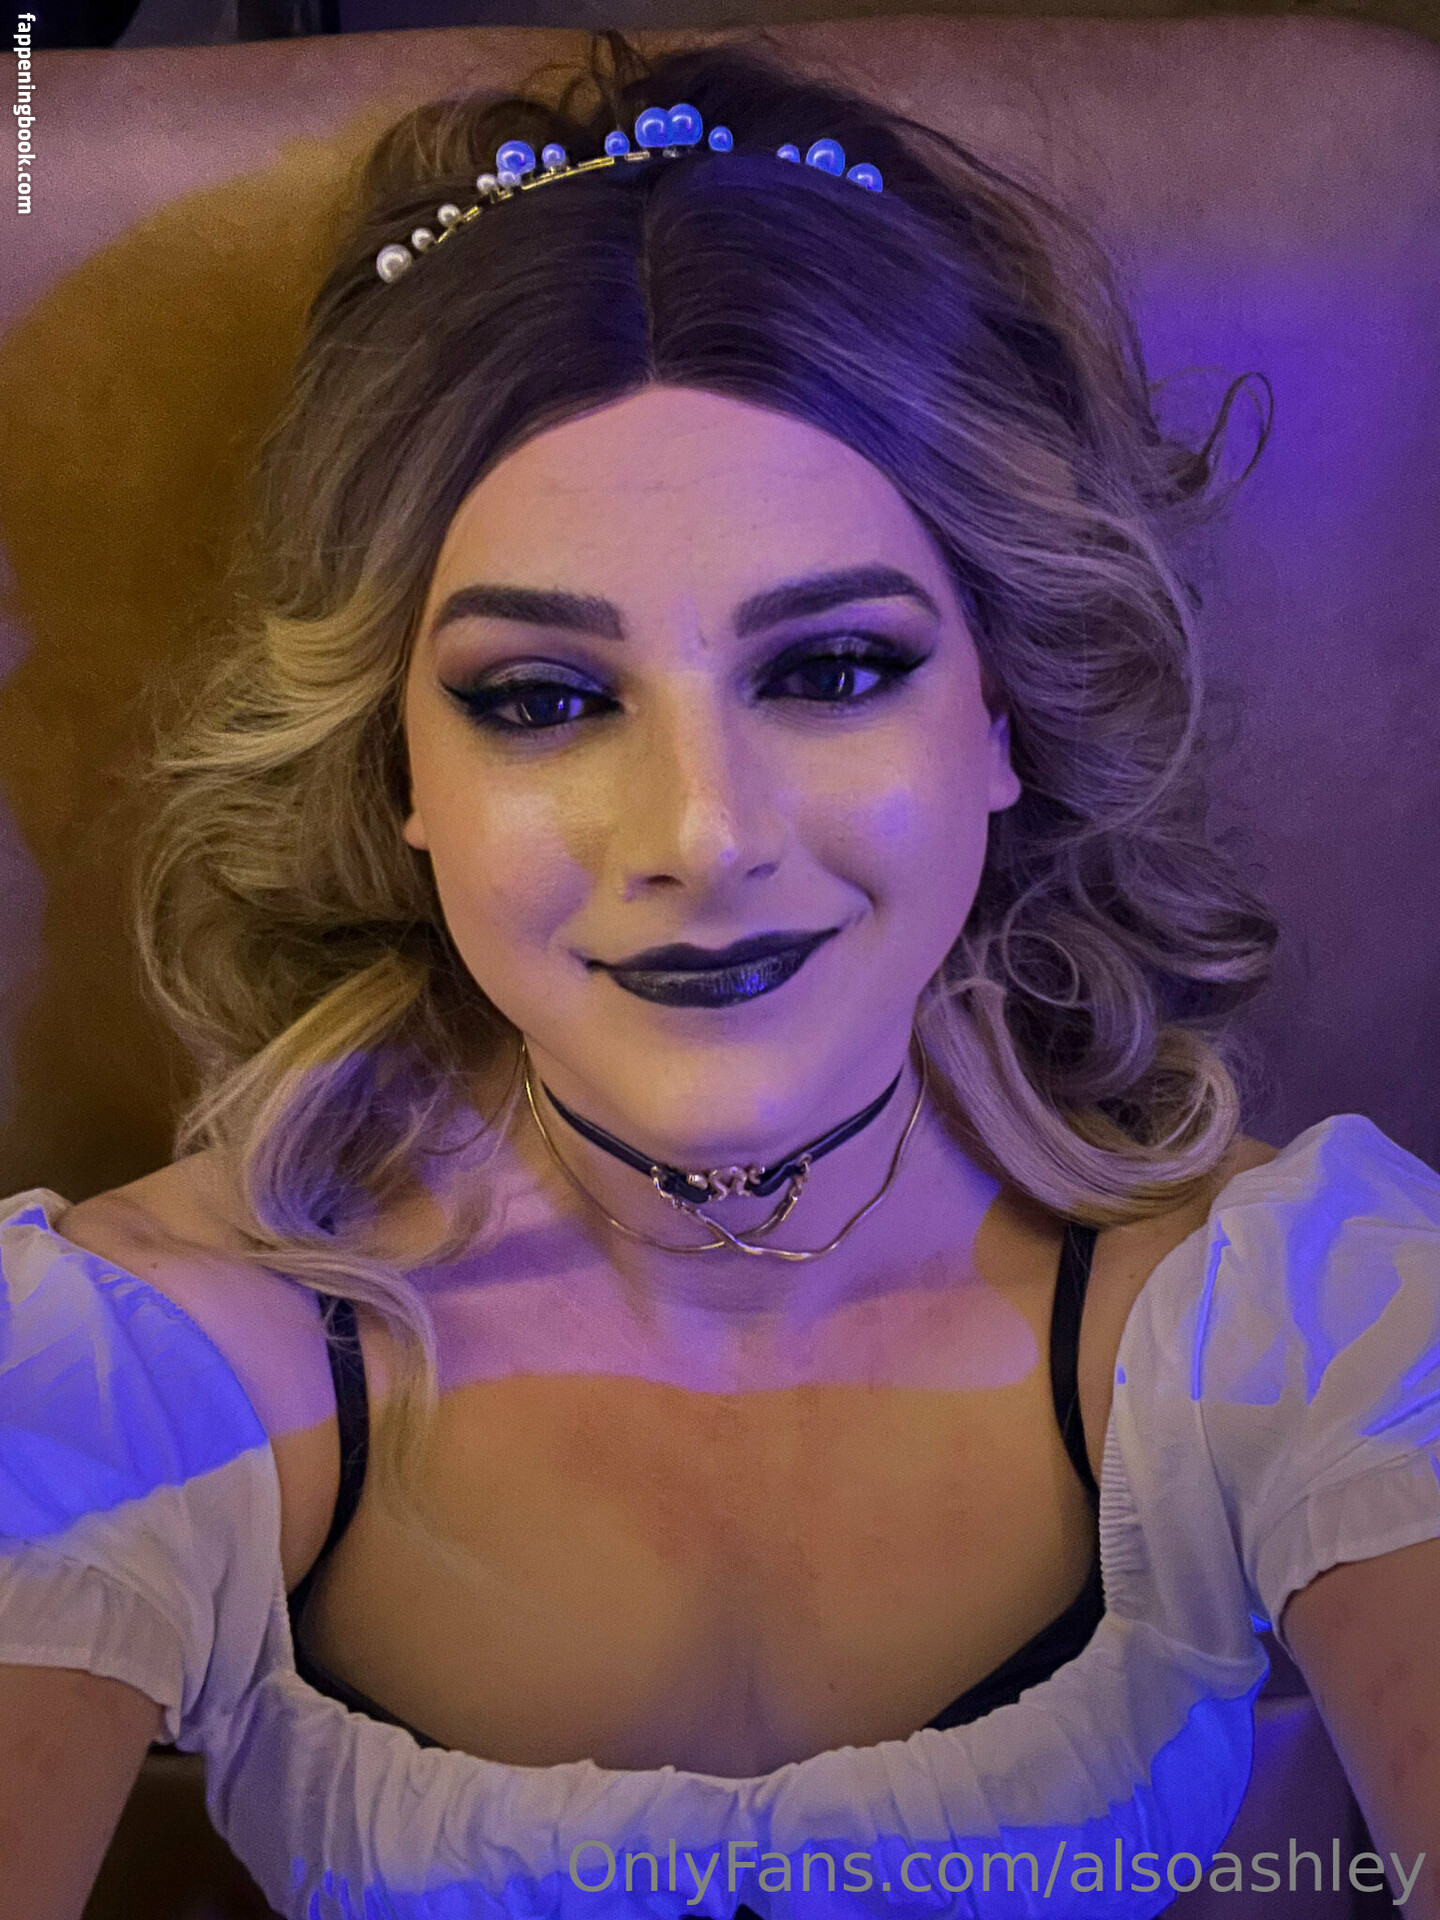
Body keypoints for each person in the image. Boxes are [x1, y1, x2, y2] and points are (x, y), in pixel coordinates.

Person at [2, 28, 1437, 1920]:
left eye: (832, 670)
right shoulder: (122, 1362)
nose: (703, 832)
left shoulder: (1315, 1317)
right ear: (396, 769)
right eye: (543, 697)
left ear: (1003, 715)